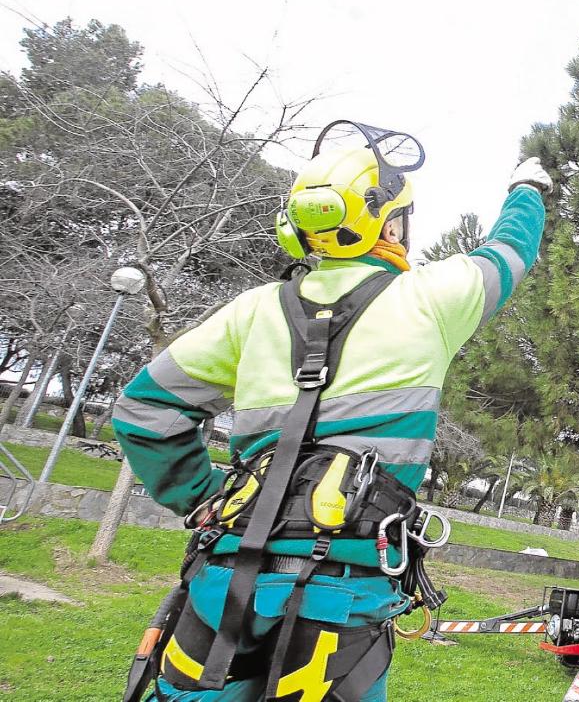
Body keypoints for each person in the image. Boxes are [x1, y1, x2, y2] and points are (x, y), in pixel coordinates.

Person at [113, 120, 550, 701]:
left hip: (221, 582)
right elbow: (509, 251)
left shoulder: (252, 312)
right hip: (338, 594)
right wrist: (528, 189)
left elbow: (145, 410)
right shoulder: (430, 300)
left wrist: (202, 499)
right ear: (388, 223)